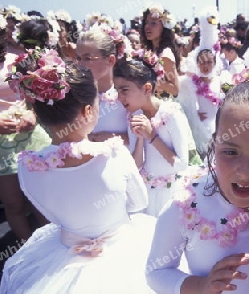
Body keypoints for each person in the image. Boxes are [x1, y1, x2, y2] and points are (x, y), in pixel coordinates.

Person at [0, 48, 156, 293]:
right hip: (124, 250)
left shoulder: (27, 165)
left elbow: (49, 214)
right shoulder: (113, 152)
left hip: (63, 258)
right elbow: (139, 202)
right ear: (87, 111)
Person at [146, 81, 249, 293]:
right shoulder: (186, 206)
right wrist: (201, 286)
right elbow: (156, 272)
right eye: (231, 152)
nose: (246, 171)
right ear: (215, 145)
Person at [113, 55, 192, 217]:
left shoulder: (171, 113)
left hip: (172, 193)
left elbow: (182, 164)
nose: (119, 97)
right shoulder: (134, 116)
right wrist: (141, 138)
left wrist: (152, 136)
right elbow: (137, 165)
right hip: (147, 193)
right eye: (117, 91)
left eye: (124, 90)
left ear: (147, 89)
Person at [0, 18, 52, 241]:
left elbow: (37, 92)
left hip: (31, 135)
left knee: (40, 197)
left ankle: (53, 247)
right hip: (3, 147)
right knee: (13, 204)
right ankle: (28, 252)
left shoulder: (17, 60)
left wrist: (33, 113)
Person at [76, 23, 129, 144]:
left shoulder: (126, 95)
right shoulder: (74, 96)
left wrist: (115, 137)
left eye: (88, 58)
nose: (81, 64)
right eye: (78, 58)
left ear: (110, 60)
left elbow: (143, 137)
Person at [177, 49, 223, 157]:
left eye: (209, 62)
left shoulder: (219, 80)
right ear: (197, 63)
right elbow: (183, 103)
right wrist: (194, 114)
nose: (205, 65)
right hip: (201, 126)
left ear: (214, 63)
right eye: (202, 62)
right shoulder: (191, 82)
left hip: (218, 124)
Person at [141, 3, 180, 98]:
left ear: (164, 28)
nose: (147, 26)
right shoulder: (150, 51)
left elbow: (175, 89)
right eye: (146, 22)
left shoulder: (165, 55)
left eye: (153, 23)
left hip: (163, 107)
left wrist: (152, 80)